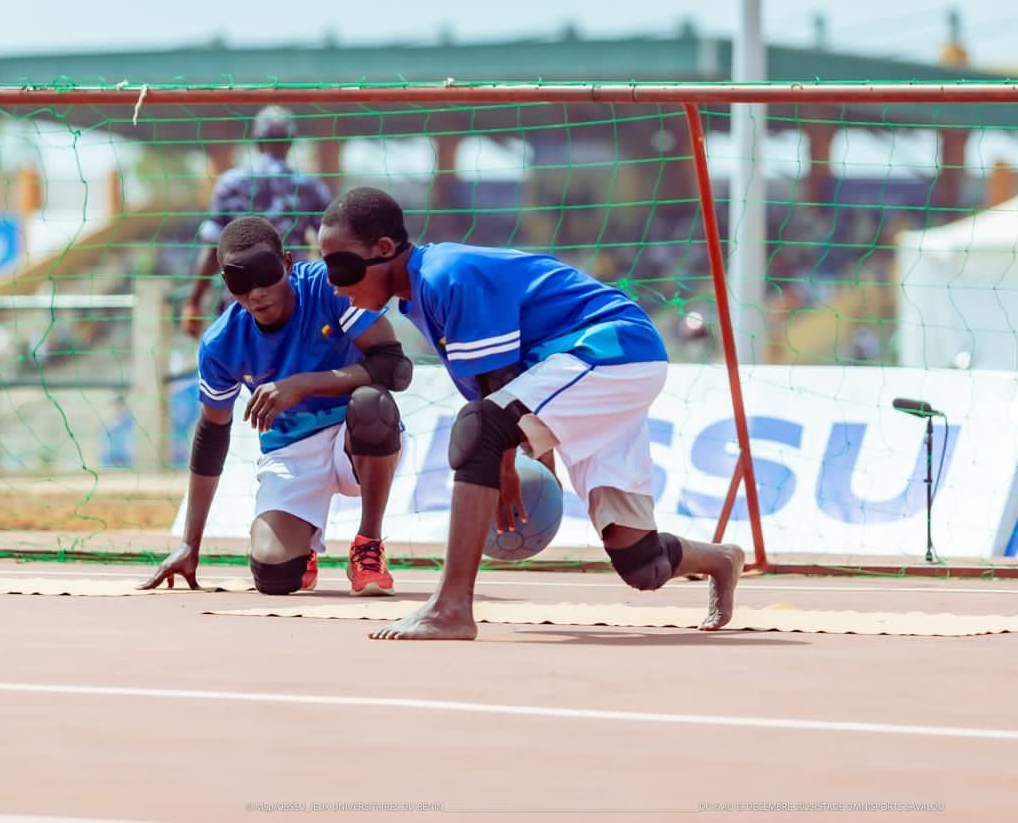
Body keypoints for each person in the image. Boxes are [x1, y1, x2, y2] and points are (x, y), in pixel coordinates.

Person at [315, 187, 745, 640]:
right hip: (597, 371)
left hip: (612, 350)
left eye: (340, 265)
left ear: (384, 249)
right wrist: (527, 458)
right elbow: (501, 389)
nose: (333, 282)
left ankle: (450, 606)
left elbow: (493, 401)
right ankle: (719, 559)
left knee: (478, 428)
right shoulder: (417, 297)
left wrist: (506, 465)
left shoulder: (448, 275)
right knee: (640, 563)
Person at [140, 215, 412, 597]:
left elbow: (395, 368)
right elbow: (212, 434)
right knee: (273, 578)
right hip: (291, 452)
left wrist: (301, 384)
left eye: (266, 274)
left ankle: (368, 542)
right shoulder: (221, 342)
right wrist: (190, 544)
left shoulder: (327, 287)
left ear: (286, 263)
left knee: (372, 403)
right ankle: (300, 550)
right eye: (239, 282)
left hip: (356, 437)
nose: (256, 293)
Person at [181, 105, 334, 338]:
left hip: (241, 297)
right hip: (293, 294)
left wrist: (193, 302)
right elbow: (329, 245)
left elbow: (213, 248)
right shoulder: (308, 186)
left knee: (241, 367)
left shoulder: (230, 183)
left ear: (257, 141)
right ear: (290, 142)